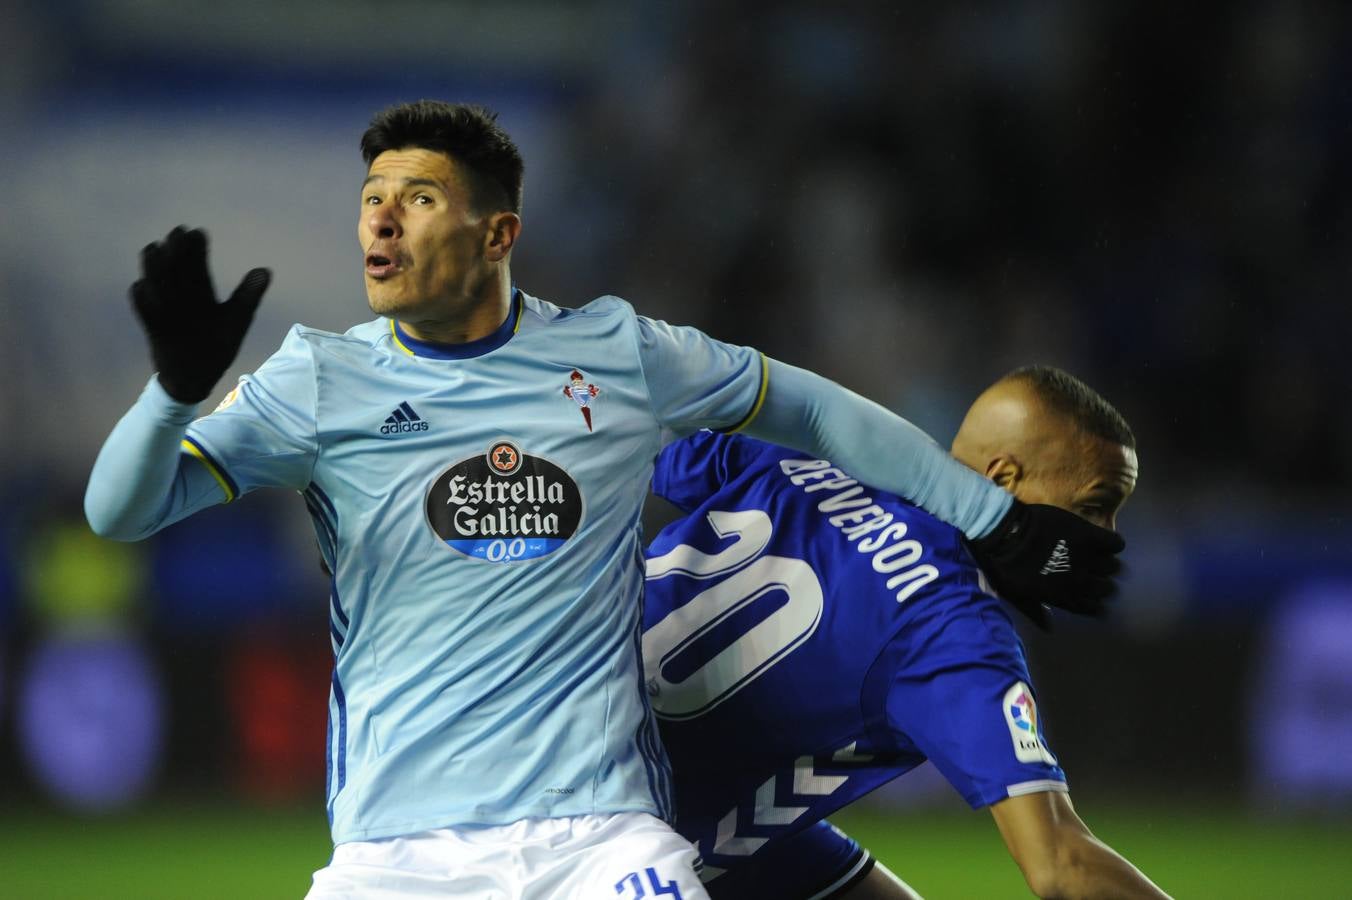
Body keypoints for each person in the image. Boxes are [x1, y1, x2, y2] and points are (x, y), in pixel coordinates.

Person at [84, 101, 1124, 898]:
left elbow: (809, 410)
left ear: (498, 235)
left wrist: (987, 520)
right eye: (370, 197)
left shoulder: (619, 354)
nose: (381, 219)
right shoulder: (317, 379)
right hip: (391, 851)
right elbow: (120, 511)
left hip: (600, 841)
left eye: (416, 197)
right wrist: (172, 394)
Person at [644, 365, 1168, 899]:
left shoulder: (822, 460)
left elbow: (636, 449)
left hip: (581, 729)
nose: (1107, 538)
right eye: (1094, 507)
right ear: (1004, 479)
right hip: (615, 832)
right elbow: (1060, 863)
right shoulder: (955, 626)